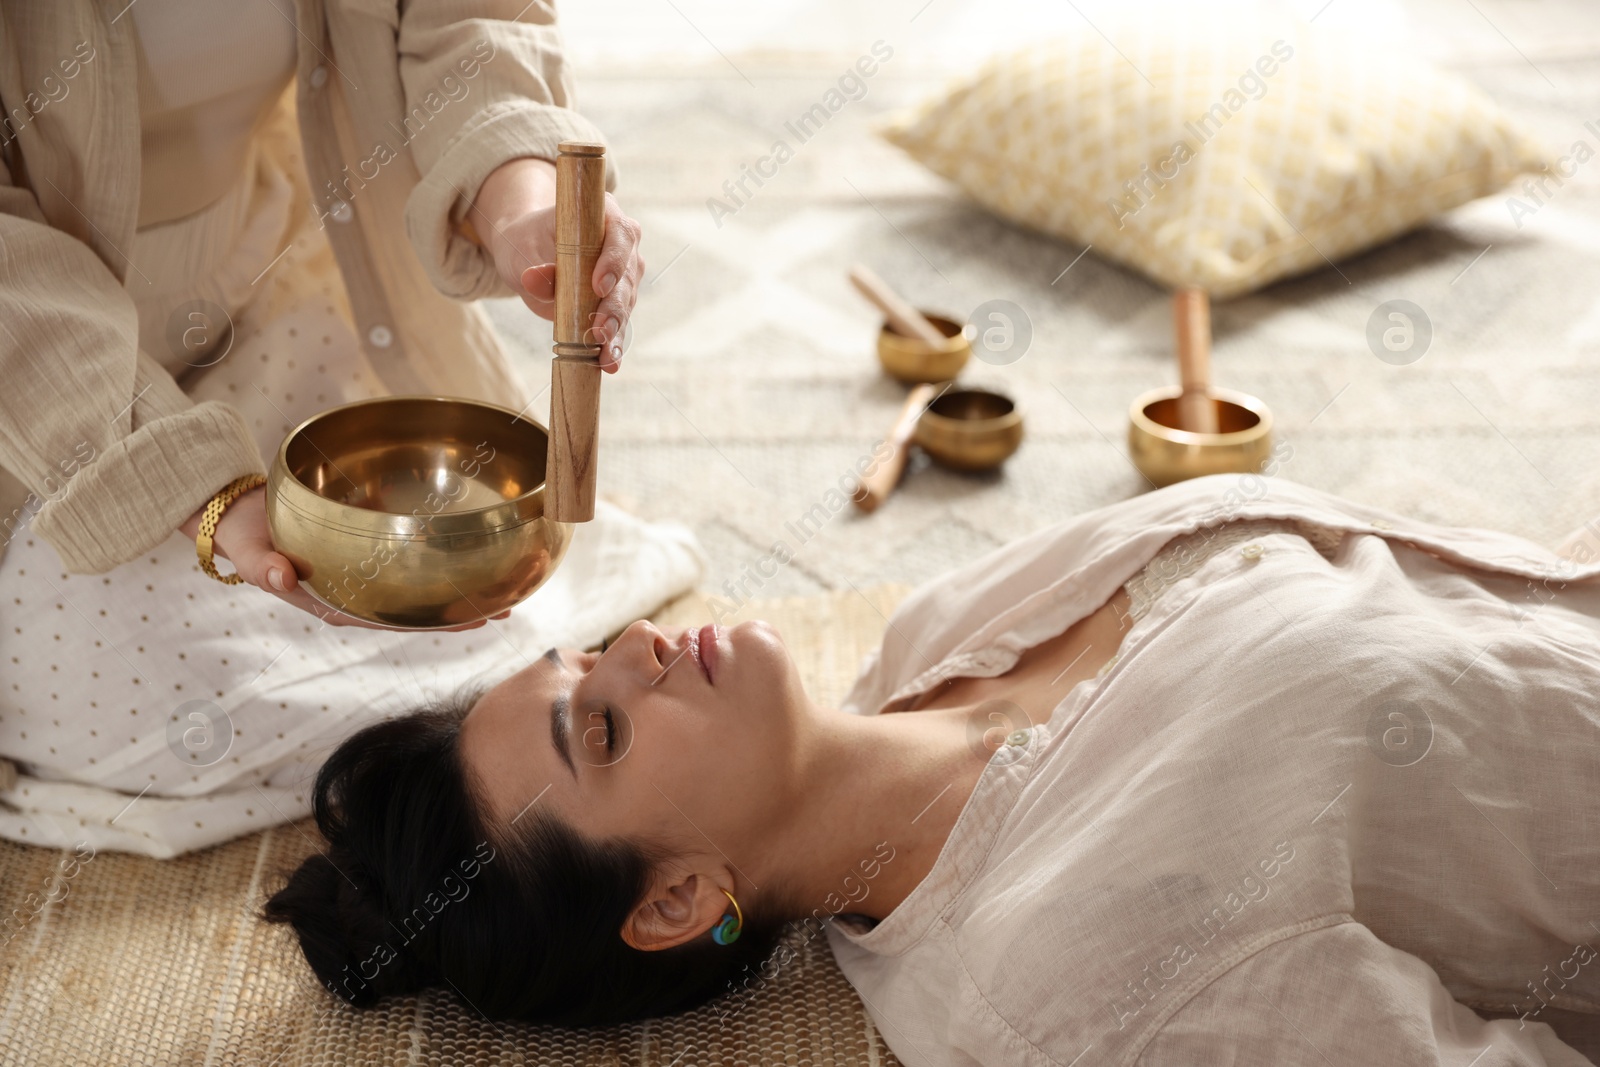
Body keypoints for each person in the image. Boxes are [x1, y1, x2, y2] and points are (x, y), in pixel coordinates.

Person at [264, 472, 1600, 1064]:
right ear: (676, 898)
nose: (641, 653)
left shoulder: (929, 638)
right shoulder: (1078, 982)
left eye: (592, 657)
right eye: (601, 732)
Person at [0, 1, 704, 858]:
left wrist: (522, 195)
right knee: (97, 681)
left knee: (478, 591)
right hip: (35, 367)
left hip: (254, 273)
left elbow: (465, 19)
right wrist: (190, 484)